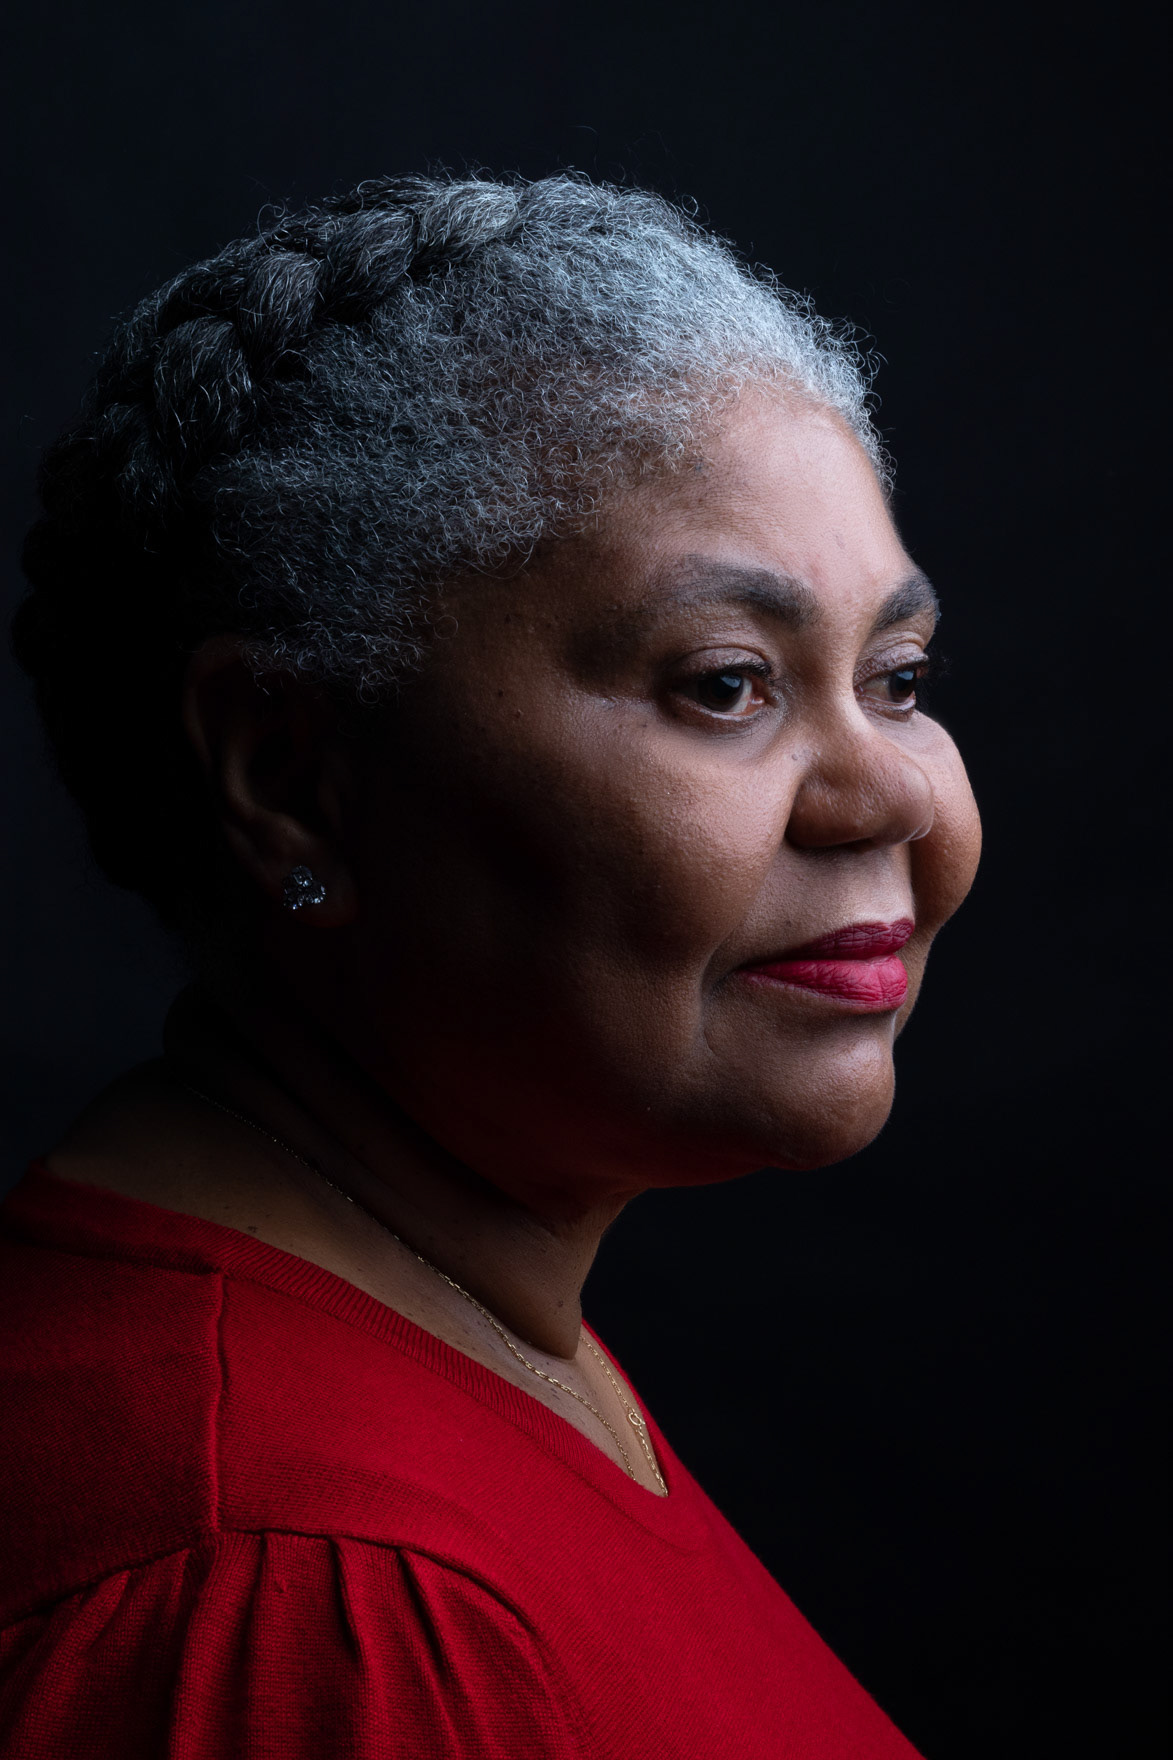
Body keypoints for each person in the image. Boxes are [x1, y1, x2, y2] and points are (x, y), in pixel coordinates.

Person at [1, 173, 981, 1757]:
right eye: (727, 684)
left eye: (897, 676)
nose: (893, 795)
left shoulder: (476, 1320)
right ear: (289, 773)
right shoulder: (304, 1603)